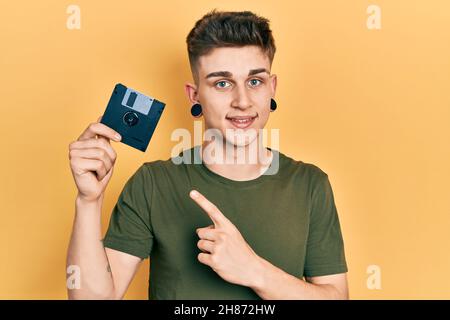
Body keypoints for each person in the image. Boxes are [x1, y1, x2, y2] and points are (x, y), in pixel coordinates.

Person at [66, 9, 348, 300]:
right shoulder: (152, 183)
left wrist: (253, 270)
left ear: (271, 88)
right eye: (222, 83)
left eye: (255, 81)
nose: (242, 101)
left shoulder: (310, 184)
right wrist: (88, 201)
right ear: (194, 95)